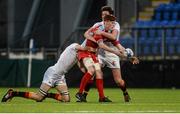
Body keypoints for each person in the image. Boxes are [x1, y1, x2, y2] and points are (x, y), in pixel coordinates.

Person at [1, 43, 88, 102]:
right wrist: (93, 47)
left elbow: (82, 68)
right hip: (53, 73)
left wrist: (88, 71)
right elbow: (85, 48)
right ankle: (12, 93)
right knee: (38, 97)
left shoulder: (79, 56)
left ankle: (45, 95)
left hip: (60, 76)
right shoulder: (75, 46)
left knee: (66, 99)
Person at [82, 6, 135, 102]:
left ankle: (125, 93)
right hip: (100, 53)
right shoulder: (98, 25)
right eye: (102, 15)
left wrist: (129, 56)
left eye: (106, 14)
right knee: (93, 72)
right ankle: (84, 96)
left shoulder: (115, 24)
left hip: (113, 54)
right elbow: (87, 34)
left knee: (118, 81)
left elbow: (114, 38)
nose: (103, 16)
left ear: (111, 15)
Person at [75, 14, 124, 102]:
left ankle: (101, 97)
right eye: (112, 23)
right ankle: (79, 93)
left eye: (114, 24)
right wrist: (116, 52)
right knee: (92, 70)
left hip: (93, 55)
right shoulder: (98, 30)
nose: (113, 26)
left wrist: (128, 55)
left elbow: (116, 42)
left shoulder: (105, 33)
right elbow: (101, 45)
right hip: (85, 53)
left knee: (99, 73)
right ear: (106, 22)